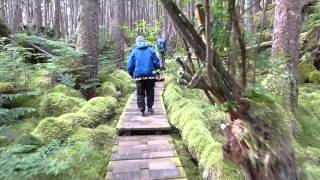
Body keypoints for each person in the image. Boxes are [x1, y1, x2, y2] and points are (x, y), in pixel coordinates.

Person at [127, 36, 161, 116]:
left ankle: (142, 110)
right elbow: (157, 63)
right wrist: (157, 72)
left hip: (139, 76)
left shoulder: (134, 51)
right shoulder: (151, 50)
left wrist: (131, 73)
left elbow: (130, 65)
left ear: (136, 42)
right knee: (150, 91)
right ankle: (150, 107)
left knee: (140, 93)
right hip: (150, 75)